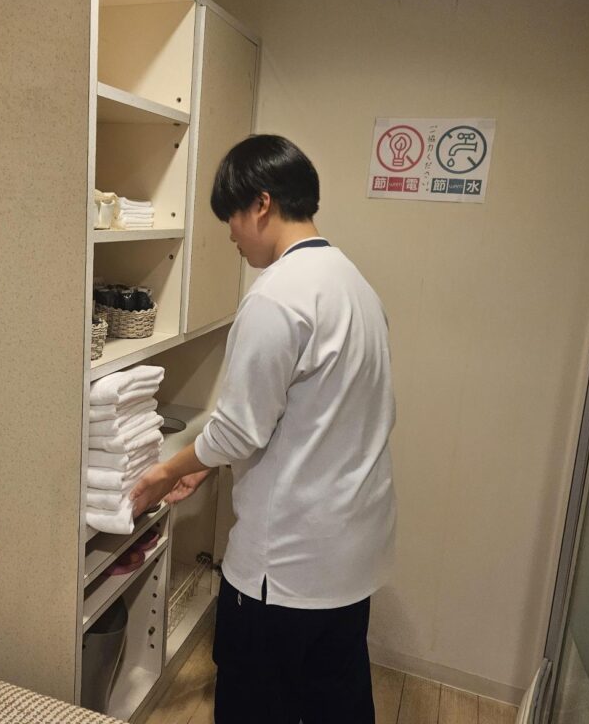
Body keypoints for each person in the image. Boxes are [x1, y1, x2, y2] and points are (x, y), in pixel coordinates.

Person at [130, 134, 396, 724]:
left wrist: (167, 471)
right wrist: (206, 467)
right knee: (338, 705)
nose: (230, 234)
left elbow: (238, 431)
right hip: (350, 556)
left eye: (231, 215)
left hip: (288, 566)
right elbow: (313, 417)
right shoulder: (353, 283)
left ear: (261, 203)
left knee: (252, 709)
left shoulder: (277, 296)